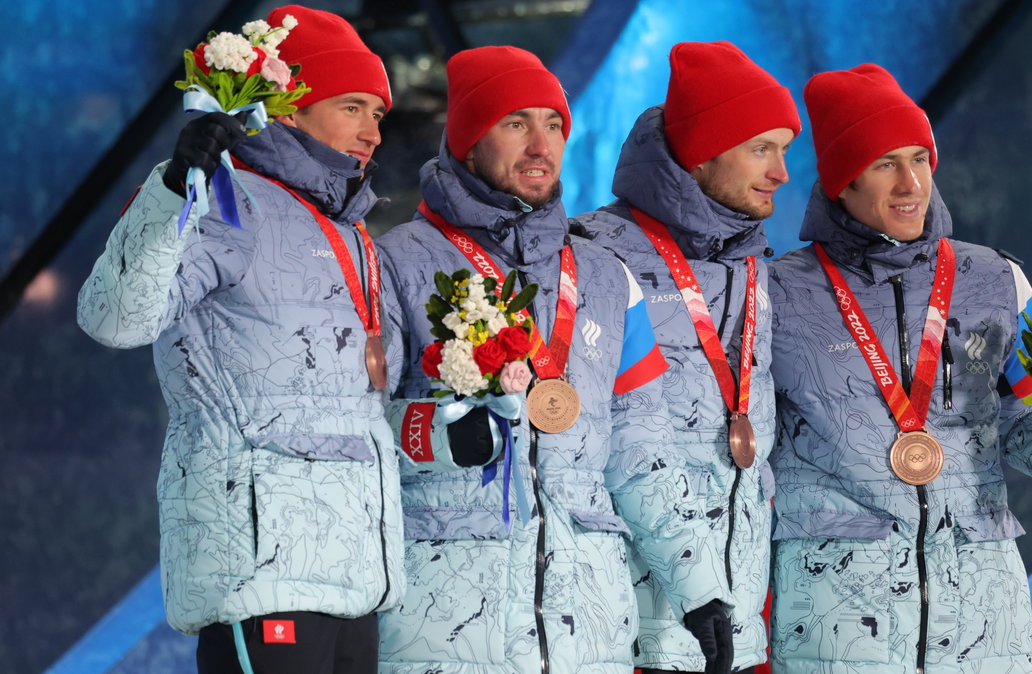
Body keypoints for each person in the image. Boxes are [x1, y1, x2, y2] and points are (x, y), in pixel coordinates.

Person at [374, 46, 735, 674]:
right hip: (449, 627)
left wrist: (700, 587)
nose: (541, 144)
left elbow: (641, 447)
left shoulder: (605, 276)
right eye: (516, 123)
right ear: (465, 140)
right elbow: (361, 421)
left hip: (586, 631)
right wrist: (437, 432)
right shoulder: (396, 263)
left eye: (554, 125)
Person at [76, 6, 402, 673]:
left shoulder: (353, 234)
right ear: (287, 109)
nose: (373, 131)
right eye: (352, 107)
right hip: (261, 573)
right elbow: (113, 318)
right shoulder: (227, 200)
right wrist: (173, 189)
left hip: (357, 577)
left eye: (378, 113)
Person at [767, 63, 1032, 673]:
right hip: (839, 620)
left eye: (920, 159)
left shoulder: (994, 277)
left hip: (984, 613)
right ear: (840, 182)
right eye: (884, 164)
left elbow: (1021, 410)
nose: (911, 183)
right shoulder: (778, 293)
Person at [572, 41, 799, 674]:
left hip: (741, 621)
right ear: (700, 156)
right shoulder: (593, 254)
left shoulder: (754, 267)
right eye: (762, 149)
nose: (781, 172)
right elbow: (606, 441)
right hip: (633, 624)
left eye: (784, 150)